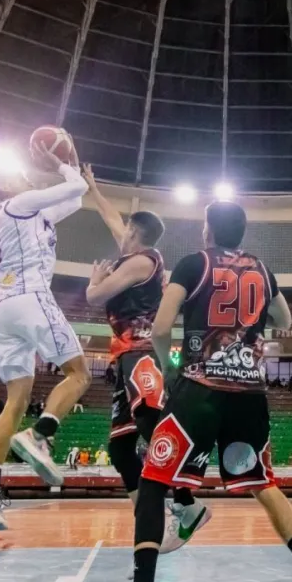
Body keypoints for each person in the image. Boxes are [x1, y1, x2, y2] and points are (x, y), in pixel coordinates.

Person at [101, 201, 292, 582]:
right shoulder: (262, 269)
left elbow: (159, 328)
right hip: (248, 393)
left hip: (199, 390)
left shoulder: (193, 264)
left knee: (154, 481)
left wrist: (169, 369)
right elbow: (284, 317)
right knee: (264, 485)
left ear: (208, 230)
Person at [0, 144, 93, 530]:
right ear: (5, 187)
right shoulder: (18, 203)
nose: (22, 173)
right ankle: (40, 435)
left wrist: (71, 169)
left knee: (15, 402)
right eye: (13, 174)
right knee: (80, 373)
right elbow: (75, 190)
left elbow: (74, 199)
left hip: (5, 311)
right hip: (31, 298)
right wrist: (61, 164)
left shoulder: (35, 212)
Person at [83, 172, 203, 554]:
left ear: (134, 232)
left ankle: (187, 504)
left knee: (152, 423)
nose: (119, 231)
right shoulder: (137, 252)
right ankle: (151, 517)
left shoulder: (140, 262)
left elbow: (95, 297)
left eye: (125, 229)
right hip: (124, 356)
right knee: (120, 449)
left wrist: (93, 281)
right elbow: (111, 219)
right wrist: (94, 188)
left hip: (142, 350)